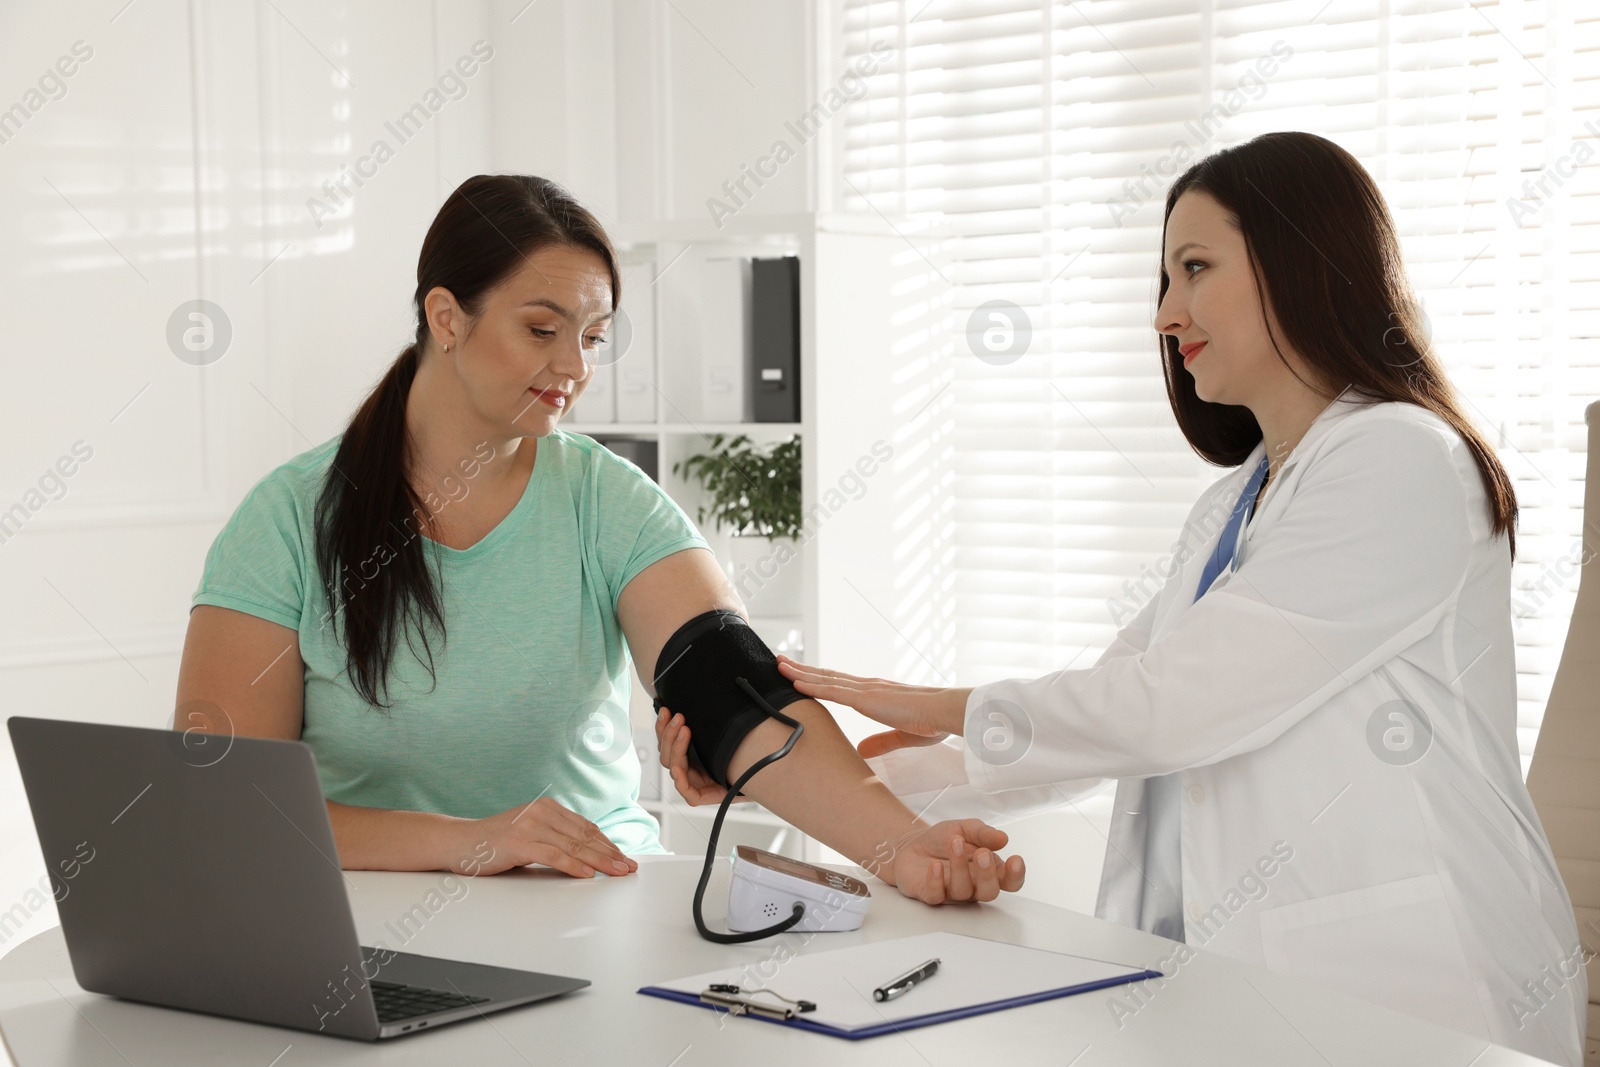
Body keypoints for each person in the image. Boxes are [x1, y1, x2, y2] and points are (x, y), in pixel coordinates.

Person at [658, 133, 1586, 1062]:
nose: (1165, 313)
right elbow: (1100, 721)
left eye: (1195, 267)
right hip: (1237, 990)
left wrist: (920, 703)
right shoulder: (1237, 500)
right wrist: (785, 775)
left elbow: (1169, 710)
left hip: (1412, 993)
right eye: (1164, 276)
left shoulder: (1402, 459)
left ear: (1298, 260)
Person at [175, 173, 1025, 906]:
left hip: (586, 902)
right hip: (357, 917)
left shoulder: (605, 500)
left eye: (592, 338)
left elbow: (736, 692)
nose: (575, 368)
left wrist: (901, 847)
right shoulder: (288, 521)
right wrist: (472, 838)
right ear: (446, 316)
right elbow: (225, 803)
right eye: (542, 330)